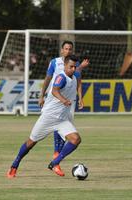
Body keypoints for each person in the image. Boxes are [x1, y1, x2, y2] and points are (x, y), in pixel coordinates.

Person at [7, 55, 82, 178]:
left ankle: (54, 163)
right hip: (48, 118)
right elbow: (54, 91)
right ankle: (15, 164)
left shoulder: (74, 77)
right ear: (64, 66)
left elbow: (78, 77)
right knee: (31, 142)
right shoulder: (61, 77)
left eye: (75, 67)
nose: (73, 69)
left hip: (62, 119)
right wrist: (63, 100)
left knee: (76, 139)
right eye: (71, 67)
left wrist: (81, 68)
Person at [38, 41, 89, 176]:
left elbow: (78, 82)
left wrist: (80, 98)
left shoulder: (75, 64)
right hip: (55, 100)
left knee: (64, 130)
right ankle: (56, 161)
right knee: (59, 127)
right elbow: (48, 78)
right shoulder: (54, 62)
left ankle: (56, 161)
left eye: (70, 49)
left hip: (69, 102)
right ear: (61, 50)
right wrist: (41, 95)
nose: (68, 51)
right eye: (66, 49)